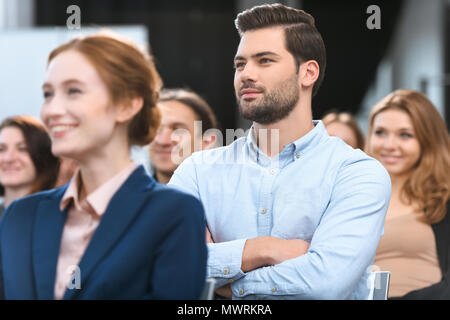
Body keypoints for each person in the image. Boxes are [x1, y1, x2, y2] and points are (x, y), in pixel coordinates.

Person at [169, 3, 391, 299]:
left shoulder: (356, 173)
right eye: (240, 64)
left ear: (308, 73)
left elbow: (324, 285)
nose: (246, 74)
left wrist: (223, 285)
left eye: (265, 61)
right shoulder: (197, 170)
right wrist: (264, 249)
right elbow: (164, 266)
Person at [0, 33, 207, 299]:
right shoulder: (20, 215)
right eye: (48, 94)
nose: (50, 110)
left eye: (73, 91)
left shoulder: (172, 213)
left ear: (127, 105)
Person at [366, 89, 450, 299]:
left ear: (427, 140)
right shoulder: (349, 196)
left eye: (405, 135)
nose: (389, 145)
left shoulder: (444, 198)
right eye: (380, 133)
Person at [149, 88, 219, 184]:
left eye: (177, 130)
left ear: (207, 141)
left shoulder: (226, 197)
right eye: (156, 128)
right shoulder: (126, 196)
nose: (162, 141)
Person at [0, 115, 60, 217]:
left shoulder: (58, 217)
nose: (8, 159)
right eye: (1, 149)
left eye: (23, 149)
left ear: (43, 156)